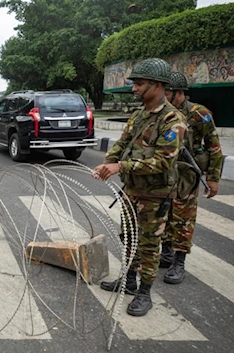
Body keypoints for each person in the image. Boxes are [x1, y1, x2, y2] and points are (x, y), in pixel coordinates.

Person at [92, 58, 187, 317]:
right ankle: (129, 280)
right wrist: (108, 163)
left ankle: (144, 293)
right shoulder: (139, 116)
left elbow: (163, 161)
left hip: (155, 195)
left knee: (148, 244)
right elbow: (122, 144)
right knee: (129, 238)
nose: (134, 89)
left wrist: (120, 167)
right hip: (132, 191)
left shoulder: (172, 120)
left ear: (157, 86)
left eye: (140, 84)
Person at [160, 71, 223, 284]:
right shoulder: (162, 112)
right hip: (164, 172)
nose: (163, 95)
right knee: (164, 213)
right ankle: (166, 253)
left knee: (183, 217)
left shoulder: (199, 114)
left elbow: (214, 148)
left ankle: (179, 260)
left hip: (186, 173)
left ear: (179, 93)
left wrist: (213, 178)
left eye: (167, 91)